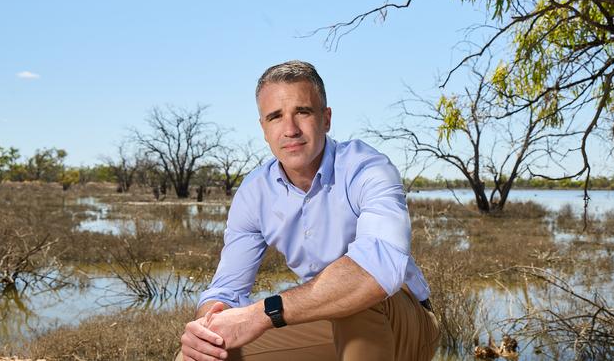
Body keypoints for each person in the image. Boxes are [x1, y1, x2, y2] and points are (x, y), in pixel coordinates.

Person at [178, 60, 440, 361]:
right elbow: (224, 290)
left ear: (326, 119)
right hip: (323, 323)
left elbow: (376, 271)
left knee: (356, 300)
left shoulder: (366, 168)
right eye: (275, 117)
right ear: (263, 129)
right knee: (202, 354)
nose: (290, 130)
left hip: (404, 323)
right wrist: (208, 326)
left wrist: (263, 314)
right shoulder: (254, 192)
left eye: (302, 112)